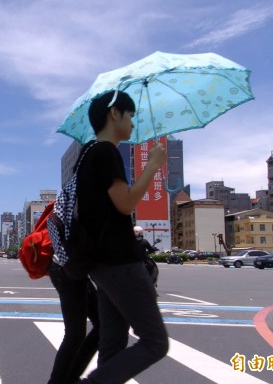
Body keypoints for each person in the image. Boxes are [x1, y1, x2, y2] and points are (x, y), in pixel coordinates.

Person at [76, 91, 169, 383]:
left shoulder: (87, 154)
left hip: (101, 264)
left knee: (113, 343)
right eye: (130, 116)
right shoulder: (106, 151)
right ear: (114, 113)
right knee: (155, 342)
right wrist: (153, 164)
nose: (132, 123)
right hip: (120, 263)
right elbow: (125, 203)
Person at [47, 260, 99, 383]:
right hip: (67, 267)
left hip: (72, 267)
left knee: (98, 326)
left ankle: (70, 378)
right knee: (75, 334)